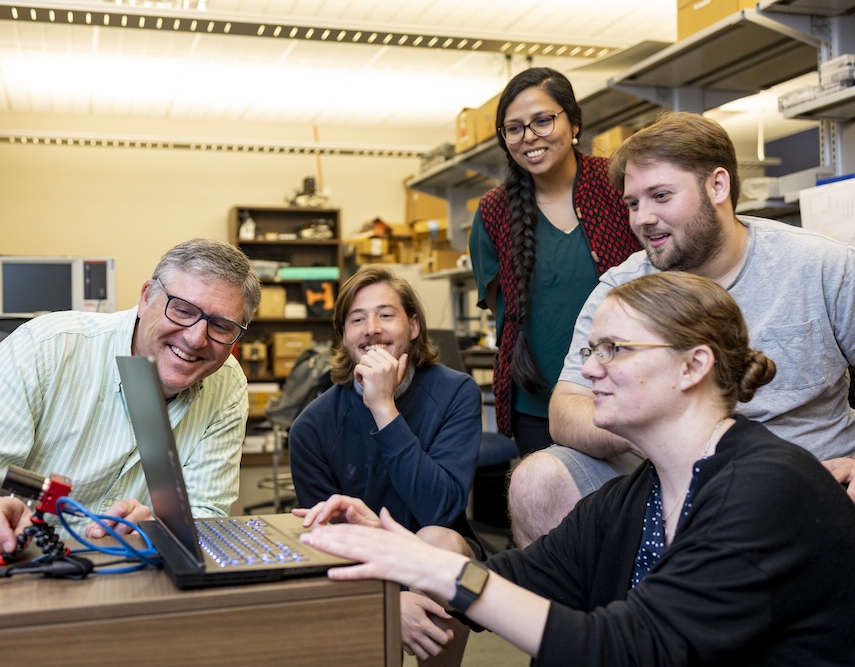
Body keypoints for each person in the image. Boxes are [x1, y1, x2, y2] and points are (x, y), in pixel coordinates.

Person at [300, 271, 855, 666]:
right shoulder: (635, 497)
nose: (589, 369)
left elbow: (630, 648)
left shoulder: (766, 488)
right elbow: (520, 577)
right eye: (592, 349)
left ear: (694, 365)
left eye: (614, 348)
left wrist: (438, 572)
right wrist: (414, 557)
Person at [508, 111, 855, 547]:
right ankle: (587, 617)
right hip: (656, 478)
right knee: (537, 479)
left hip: (804, 475)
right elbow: (566, 409)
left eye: (660, 196)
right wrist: (655, 419)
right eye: (633, 204)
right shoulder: (622, 286)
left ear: (718, 186)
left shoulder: (823, 267)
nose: (642, 218)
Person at [0, 238, 261, 561]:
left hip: (123, 576)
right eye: (182, 310)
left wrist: (157, 528)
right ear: (146, 296)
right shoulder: (48, 347)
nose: (197, 338)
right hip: (7, 570)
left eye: (221, 326)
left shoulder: (227, 384)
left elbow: (206, 514)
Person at [289, 264, 483, 663]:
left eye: (386, 314)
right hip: (361, 559)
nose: (372, 328)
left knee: (441, 541)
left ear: (413, 326)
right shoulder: (311, 425)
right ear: (344, 336)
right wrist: (391, 600)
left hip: (438, 554)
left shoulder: (455, 392)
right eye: (357, 319)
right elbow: (327, 539)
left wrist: (383, 408)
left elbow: (442, 509)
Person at [468, 67, 640, 452]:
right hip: (536, 402)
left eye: (542, 121)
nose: (529, 137)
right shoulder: (494, 212)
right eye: (514, 128)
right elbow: (505, 317)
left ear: (574, 121)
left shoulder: (617, 183)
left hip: (627, 389)